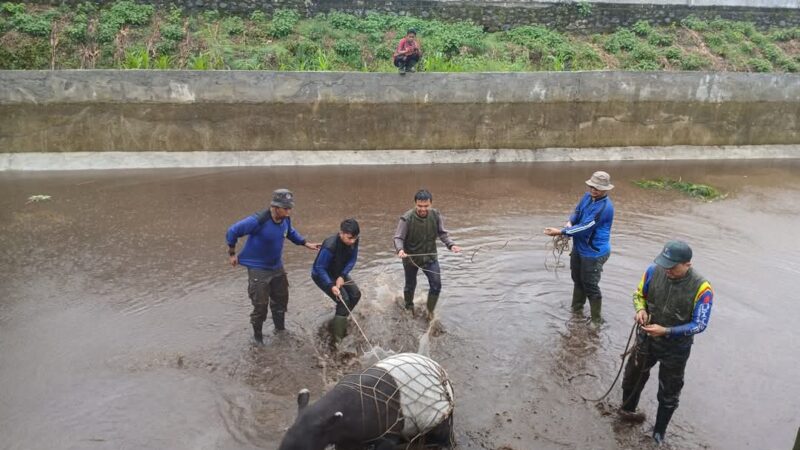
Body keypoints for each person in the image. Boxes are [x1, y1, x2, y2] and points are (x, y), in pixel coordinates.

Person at [617, 241, 714, 445]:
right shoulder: (653, 270)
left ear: (687, 264)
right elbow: (638, 295)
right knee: (633, 376)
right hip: (646, 338)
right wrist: (640, 310)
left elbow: (700, 324)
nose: (667, 270)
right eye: (665, 264)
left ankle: (658, 433)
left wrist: (667, 331)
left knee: (669, 391)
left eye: (673, 266)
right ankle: (627, 411)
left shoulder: (703, 288)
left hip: (676, 348)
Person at [226, 189, 320, 344]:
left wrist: (305, 243)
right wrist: (232, 253)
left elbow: (290, 232)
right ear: (275, 207)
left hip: (276, 267)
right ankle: (258, 338)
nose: (289, 211)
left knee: (281, 301)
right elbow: (232, 231)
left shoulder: (285, 219)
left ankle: (280, 331)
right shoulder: (258, 220)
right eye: (286, 208)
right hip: (258, 269)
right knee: (260, 306)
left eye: (290, 208)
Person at [544, 171, 615, 323]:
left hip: (594, 252)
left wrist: (561, 231)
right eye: (592, 186)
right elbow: (577, 212)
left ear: (606, 189)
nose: (593, 190)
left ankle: (596, 321)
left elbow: (586, 227)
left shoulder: (605, 208)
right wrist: (570, 222)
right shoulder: (587, 197)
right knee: (577, 279)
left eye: (597, 188)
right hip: (579, 248)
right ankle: (577, 311)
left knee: (590, 285)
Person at [393, 189, 461, 318]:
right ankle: (408, 306)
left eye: (426, 206)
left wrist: (451, 245)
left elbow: (442, 233)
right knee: (410, 284)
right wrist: (400, 250)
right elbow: (398, 238)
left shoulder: (435, 215)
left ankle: (430, 312)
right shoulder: (406, 218)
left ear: (431, 204)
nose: (423, 209)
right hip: (411, 258)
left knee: (436, 285)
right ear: (415, 204)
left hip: (430, 257)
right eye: (420, 206)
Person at [311, 218, 361, 344]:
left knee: (355, 294)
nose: (352, 241)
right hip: (322, 275)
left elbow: (352, 259)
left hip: (338, 272)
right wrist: (331, 285)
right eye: (349, 238)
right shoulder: (330, 245)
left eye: (354, 238)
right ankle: (338, 340)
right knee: (343, 299)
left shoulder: (354, 240)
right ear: (341, 233)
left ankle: (340, 320)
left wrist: (342, 276)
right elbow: (319, 268)